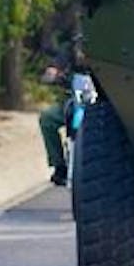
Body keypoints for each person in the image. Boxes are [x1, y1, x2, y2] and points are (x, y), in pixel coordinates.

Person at [38, 33, 84, 186]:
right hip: (74, 102)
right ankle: (59, 165)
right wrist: (53, 74)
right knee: (47, 118)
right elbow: (56, 65)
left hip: (102, 103)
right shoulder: (72, 46)